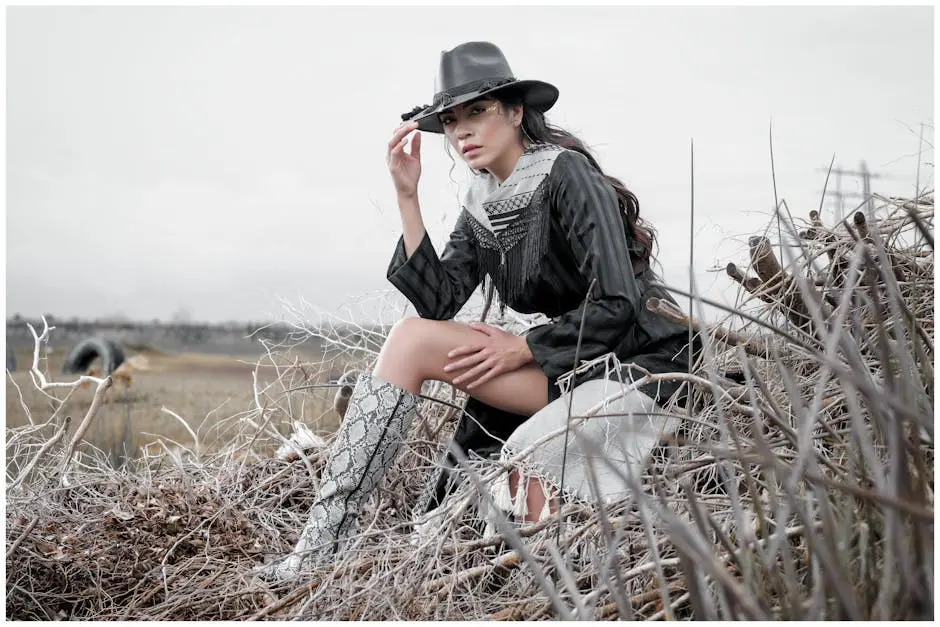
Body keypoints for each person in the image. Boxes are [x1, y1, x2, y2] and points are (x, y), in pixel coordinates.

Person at [260, 41, 691, 582]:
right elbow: (438, 304)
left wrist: (521, 346)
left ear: (515, 111)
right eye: (452, 120)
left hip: (640, 358)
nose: (462, 131)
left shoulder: (566, 173)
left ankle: (561, 579)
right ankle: (320, 548)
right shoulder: (482, 198)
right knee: (411, 337)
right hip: (566, 359)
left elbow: (619, 301)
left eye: (477, 112)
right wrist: (407, 196)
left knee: (532, 465)